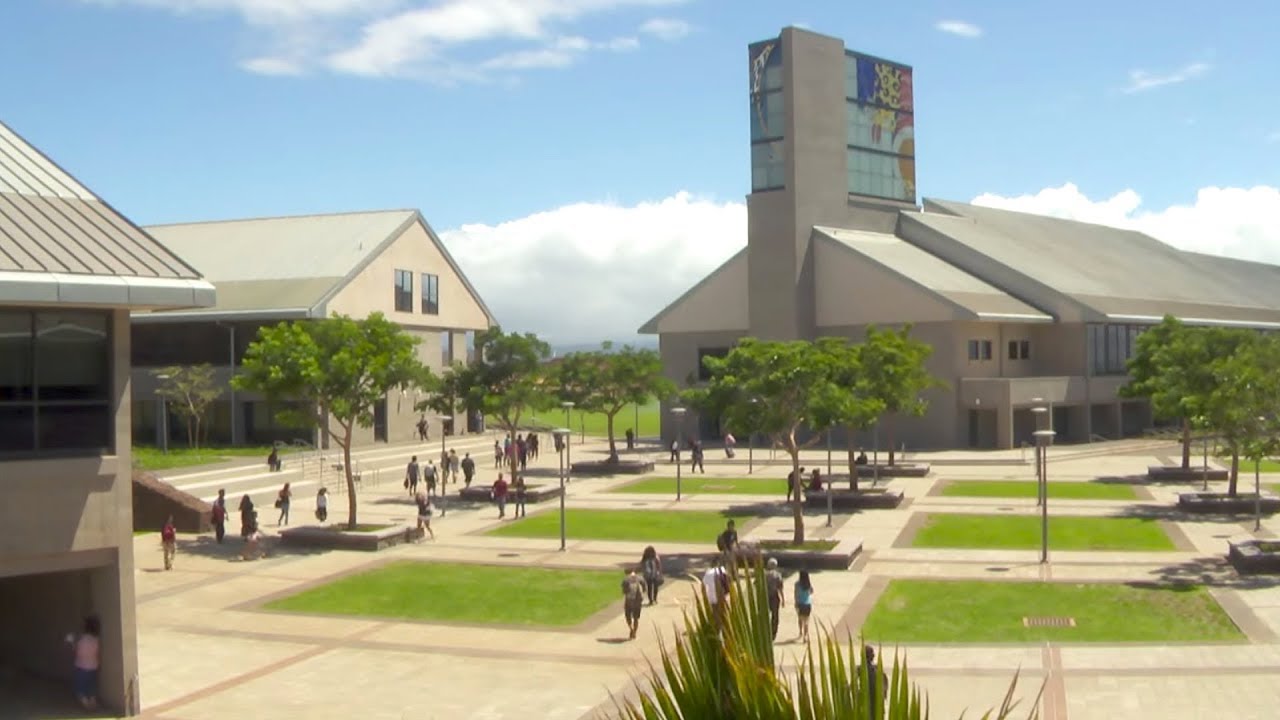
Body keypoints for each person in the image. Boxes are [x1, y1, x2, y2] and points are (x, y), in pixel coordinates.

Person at [68, 615, 101, 711]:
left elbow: (78, 652)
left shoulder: (81, 640)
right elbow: (97, 653)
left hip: (81, 668)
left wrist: (71, 643)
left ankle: (86, 705)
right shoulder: (96, 640)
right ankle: (93, 704)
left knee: (80, 690)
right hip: (94, 667)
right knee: (92, 690)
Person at [702, 561, 730, 629]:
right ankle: (724, 626)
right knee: (724, 612)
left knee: (715, 612)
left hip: (713, 596)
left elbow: (704, 584)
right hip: (722, 595)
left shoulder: (708, 573)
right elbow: (727, 582)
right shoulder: (722, 570)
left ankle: (717, 626)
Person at [622, 568, 646, 640]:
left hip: (629, 601)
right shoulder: (640, 578)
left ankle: (631, 629)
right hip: (638, 601)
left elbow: (624, 591)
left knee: (628, 616)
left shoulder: (626, 580)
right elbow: (644, 588)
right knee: (636, 618)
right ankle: (634, 632)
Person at [765, 558, 786, 640]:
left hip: (765, 596)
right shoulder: (777, 575)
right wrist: (783, 599)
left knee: (765, 614)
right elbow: (780, 588)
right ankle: (773, 632)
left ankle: (765, 630)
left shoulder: (764, 574)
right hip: (774, 596)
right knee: (775, 615)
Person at [794, 570, 814, 643]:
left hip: (800, 603)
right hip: (807, 603)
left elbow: (795, 593)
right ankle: (805, 636)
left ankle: (800, 632)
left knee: (800, 618)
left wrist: (796, 602)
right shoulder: (808, 584)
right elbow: (812, 591)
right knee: (806, 620)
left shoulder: (797, 584)